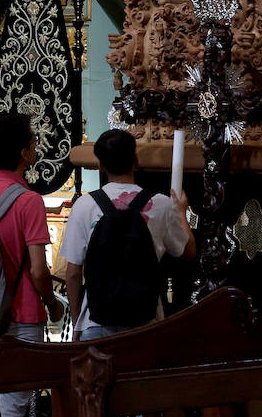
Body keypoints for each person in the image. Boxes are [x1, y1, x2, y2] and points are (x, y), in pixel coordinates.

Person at [60, 129, 195, 341]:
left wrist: (78, 322)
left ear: (101, 166)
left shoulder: (84, 206)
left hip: (95, 322)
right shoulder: (161, 204)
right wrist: (181, 212)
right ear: (136, 161)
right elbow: (188, 252)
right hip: (145, 323)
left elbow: (73, 273)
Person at [0, 111, 64, 417]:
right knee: (15, 402)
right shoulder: (28, 201)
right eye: (33, 140)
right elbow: (39, 271)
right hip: (22, 311)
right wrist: (53, 306)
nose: (36, 145)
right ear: (24, 152)